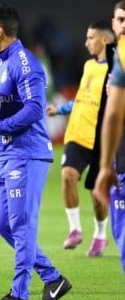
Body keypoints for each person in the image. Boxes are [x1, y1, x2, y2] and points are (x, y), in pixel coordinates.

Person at [0, 3, 71, 300]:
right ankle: (53, 279)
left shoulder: (25, 63)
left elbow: (34, 109)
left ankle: (19, 295)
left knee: (22, 224)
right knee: (5, 225)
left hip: (27, 155)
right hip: (6, 154)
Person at [46, 21, 115, 255]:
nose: (86, 42)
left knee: (97, 193)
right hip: (77, 133)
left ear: (105, 40)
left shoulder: (117, 70)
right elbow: (82, 99)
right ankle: (75, 229)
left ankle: (100, 233)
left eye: (91, 38)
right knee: (67, 176)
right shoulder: (88, 65)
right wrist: (61, 109)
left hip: (100, 138)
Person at [92, 0, 125, 300]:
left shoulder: (122, 58)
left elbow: (114, 113)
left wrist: (105, 167)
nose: (123, 25)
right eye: (120, 19)